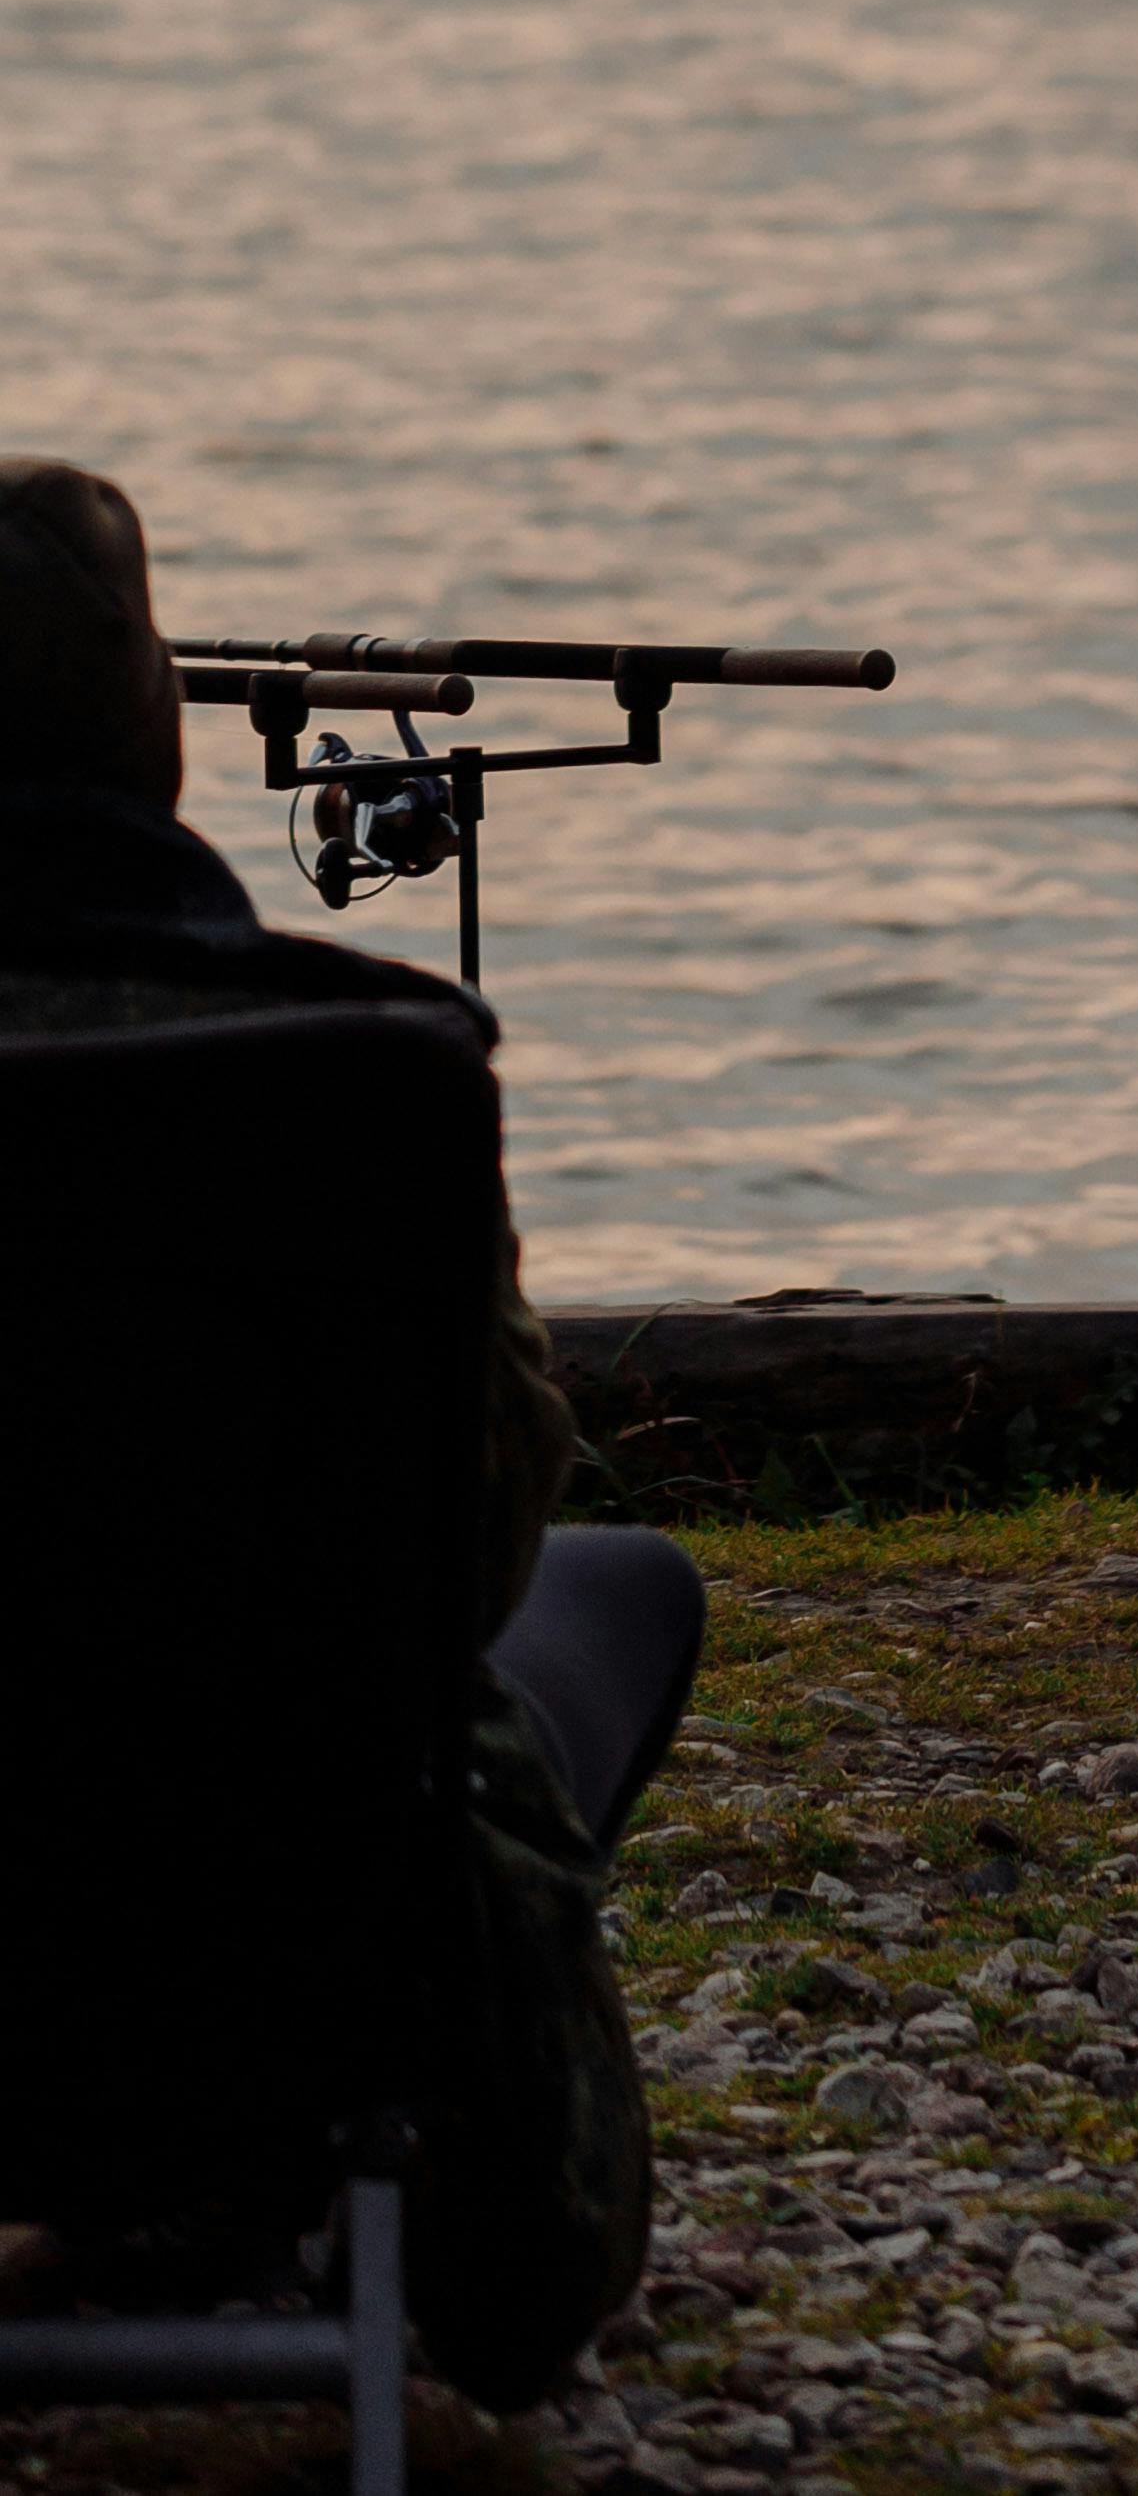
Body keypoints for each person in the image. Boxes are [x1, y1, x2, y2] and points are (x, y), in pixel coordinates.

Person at [0, 459, 703, 2405]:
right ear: (151, 734)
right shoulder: (361, 1073)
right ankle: (280, 2202)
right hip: (285, 1970)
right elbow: (465, 1564)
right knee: (610, 1587)